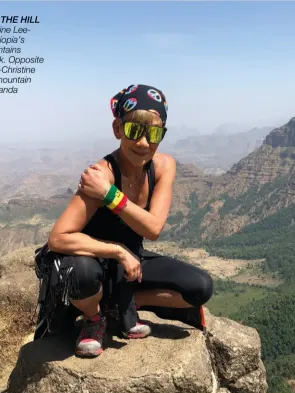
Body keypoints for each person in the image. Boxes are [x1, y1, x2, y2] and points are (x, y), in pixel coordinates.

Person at [40, 84, 213, 357]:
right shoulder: (102, 174)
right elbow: (59, 238)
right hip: (91, 262)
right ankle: (93, 317)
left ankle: (117, 305)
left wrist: (110, 196)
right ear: (117, 129)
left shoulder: (163, 166)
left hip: (129, 267)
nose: (144, 143)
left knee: (199, 288)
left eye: (154, 133)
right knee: (82, 275)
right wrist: (118, 251)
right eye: (134, 130)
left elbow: (153, 228)